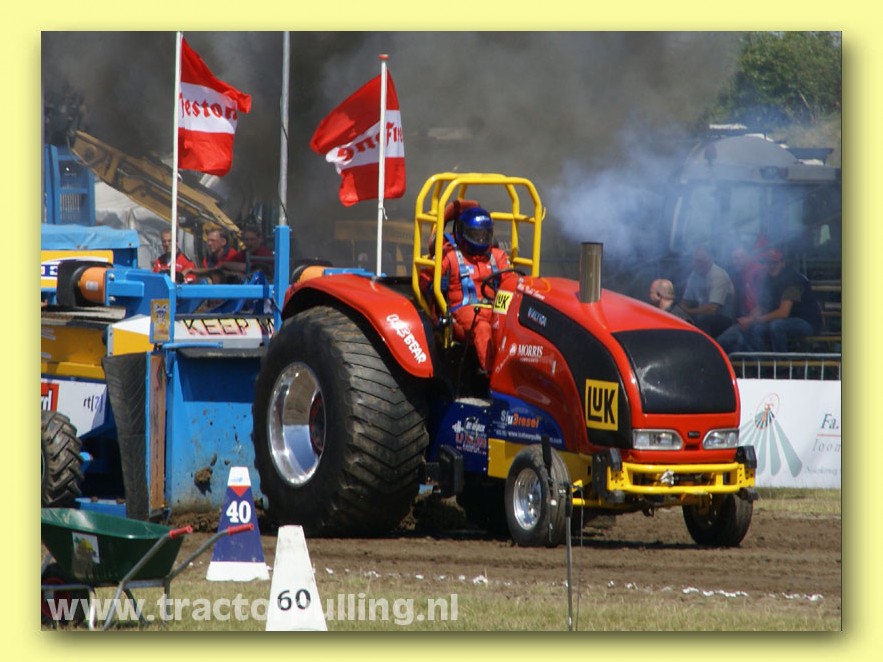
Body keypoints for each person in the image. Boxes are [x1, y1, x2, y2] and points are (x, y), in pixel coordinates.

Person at [420, 205, 517, 373]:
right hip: (464, 310)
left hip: (495, 307)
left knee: (514, 327)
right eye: (475, 235)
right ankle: (493, 376)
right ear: (463, 232)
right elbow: (425, 279)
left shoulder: (497, 256)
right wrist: (433, 288)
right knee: (482, 328)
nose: (480, 239)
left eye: (484, 235)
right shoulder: (449, 256)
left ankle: (518, 374)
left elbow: (511, 283)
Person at [735, 248, 822, 353]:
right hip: (785, 320)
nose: (771, 266)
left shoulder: (792, 280)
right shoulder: (768, 280)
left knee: (777, 326)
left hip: (806, 321)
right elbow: (762, 305)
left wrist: (753, 320)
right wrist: (749, 319)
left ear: (782, 263)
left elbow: (783, 313)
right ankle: (762, 360)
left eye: (774, 263)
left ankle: (781, 361)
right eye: (768, 263)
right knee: (754, 329)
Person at [679, 245, 736, 337]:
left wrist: (688, 311)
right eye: (694, 261)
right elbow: (686, 300)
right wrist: (681, 310)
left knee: (701, 320)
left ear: (709, 261)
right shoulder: (694, 275)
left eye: (699, 261)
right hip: (701, 313)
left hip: (723, 318)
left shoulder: (719, 276)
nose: (695, 264)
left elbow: (712, 309)